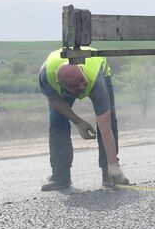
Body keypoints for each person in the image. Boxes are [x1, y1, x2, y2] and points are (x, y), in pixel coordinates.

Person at [38, 47, 128, 190]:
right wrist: (78, 121)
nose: (81, 86)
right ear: (62, 85)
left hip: (99, 69)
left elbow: (105, 127)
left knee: (109, 121)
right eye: (75, 86)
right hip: (56, 77)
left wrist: (113, 164)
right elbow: (55, 100)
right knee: (57, 123)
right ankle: (61, 177)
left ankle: (110, 172)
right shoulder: (46, 77)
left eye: (81, 80)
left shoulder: (94, 80)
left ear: (82, 71)